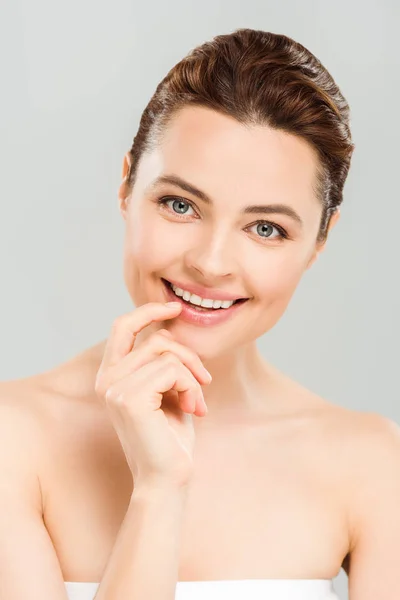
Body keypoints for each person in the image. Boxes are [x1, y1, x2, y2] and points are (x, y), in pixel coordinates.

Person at [1, 27, 399, 600]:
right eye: (180, 204)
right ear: (125, 187)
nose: (211, 264)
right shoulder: (11, 438)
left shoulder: (372, 461)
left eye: (266, 228)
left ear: (318, 242)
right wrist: (158, 491)